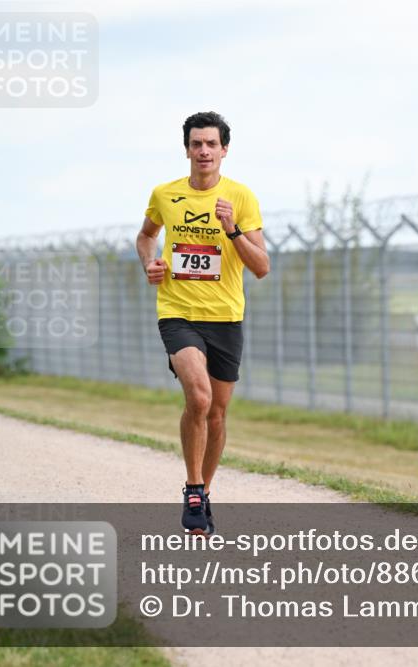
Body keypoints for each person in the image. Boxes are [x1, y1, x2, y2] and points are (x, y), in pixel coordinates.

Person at [136, 111, 270, 535]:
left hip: (226, 317)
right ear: (187, 150)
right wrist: (149, 264)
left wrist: (232, 231)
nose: (204, 151)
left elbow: (262, 266)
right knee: (199, 397)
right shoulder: (165, 194)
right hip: (177, 311)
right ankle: (193, 491)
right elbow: (145, 236)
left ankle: (204, 492)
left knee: (218, 412)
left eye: (212, 144)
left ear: (224, 150)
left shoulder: (241, 198)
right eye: (197, 144)